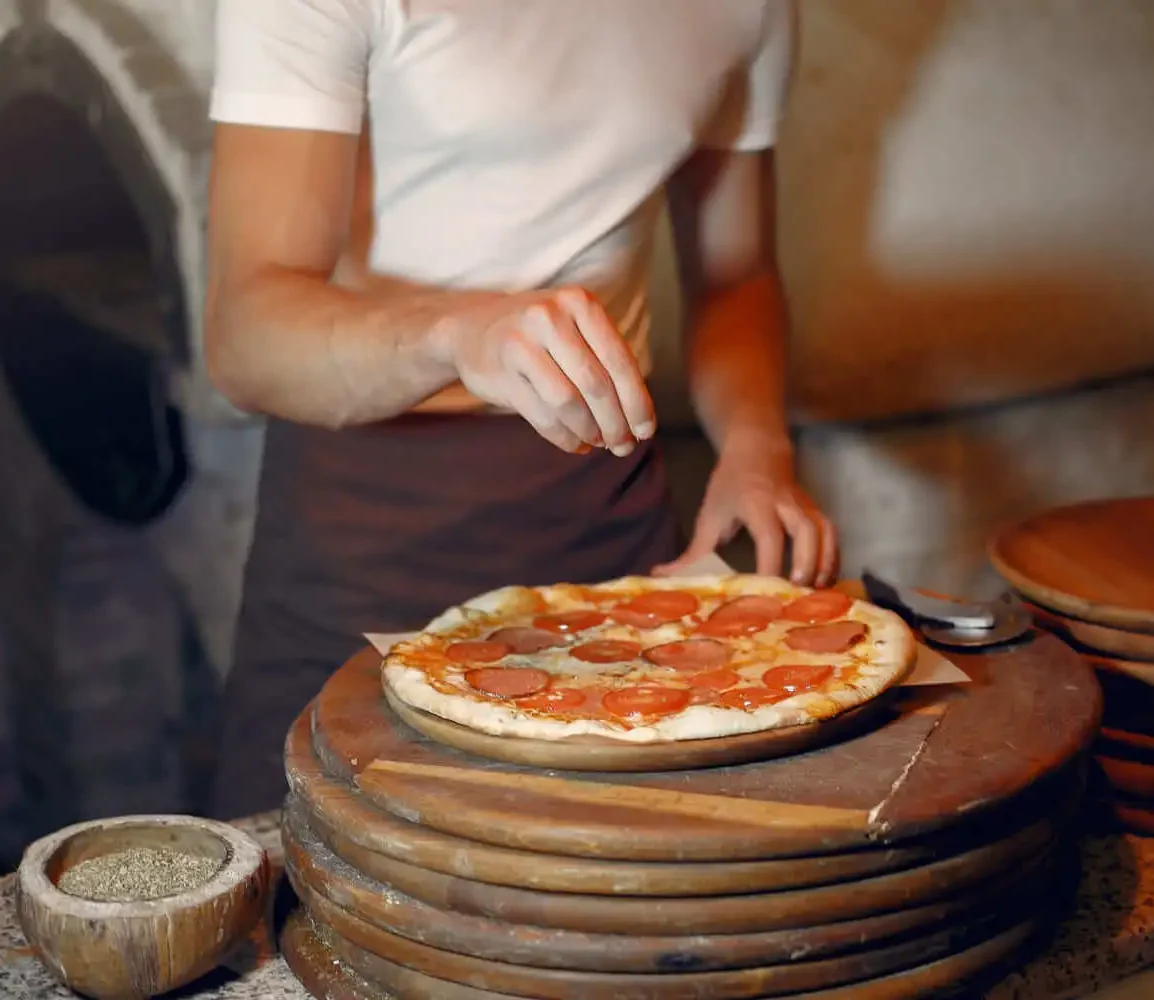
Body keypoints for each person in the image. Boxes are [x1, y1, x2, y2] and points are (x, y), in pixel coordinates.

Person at [206, 0, 837, 819]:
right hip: (360, 529)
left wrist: (756, 445)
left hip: (608, 520)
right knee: (314, 886)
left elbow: (736, 274)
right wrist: (456, 332)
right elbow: (243, 337)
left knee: (616, 888)